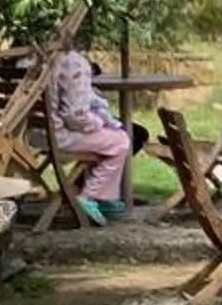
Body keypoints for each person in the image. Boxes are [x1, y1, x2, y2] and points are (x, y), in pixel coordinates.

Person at [45, 47, 147, 222]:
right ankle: (90, 196)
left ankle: (104, 195)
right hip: (60, 136)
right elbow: (76, 116)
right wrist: (98, 122)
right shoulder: (72, 62)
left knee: (108, 139)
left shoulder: (38, 58)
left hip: (37, 131)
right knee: (121, 140)